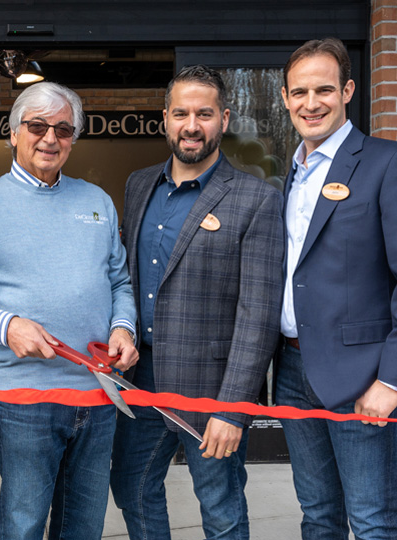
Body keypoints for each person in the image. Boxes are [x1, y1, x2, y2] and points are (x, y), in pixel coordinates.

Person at [0, 81, 138, 540]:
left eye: (64, 129)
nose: (51, 138)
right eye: (38, 126)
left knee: (83, 528)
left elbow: (119, 283)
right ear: (13, 133)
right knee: (24, 525)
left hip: (98, 395)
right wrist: (7, 326)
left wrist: (123, 328)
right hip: (24, 401)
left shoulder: (97, 202)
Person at [111, 65, 284, 540]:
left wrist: (232, 409)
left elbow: (258, 316)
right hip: (139, 381)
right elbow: (126, 275)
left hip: (212, 388)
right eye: (182, 113)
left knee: (221, 509)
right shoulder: (138, 184)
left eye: (204, 114)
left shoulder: (257, 199)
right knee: (131, 486)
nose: (192, 125)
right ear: (165, 118)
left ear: (224, 119)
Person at [276, 37, 397, 539]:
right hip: (290, 370)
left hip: (360, 377)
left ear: (348, 90)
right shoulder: (293, 172)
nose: (311, 103)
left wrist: (390, 381)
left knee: (371, 523)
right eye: (299, 92)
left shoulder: (385, 163)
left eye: (323, 89)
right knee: (318, 516)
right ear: (285, 98)